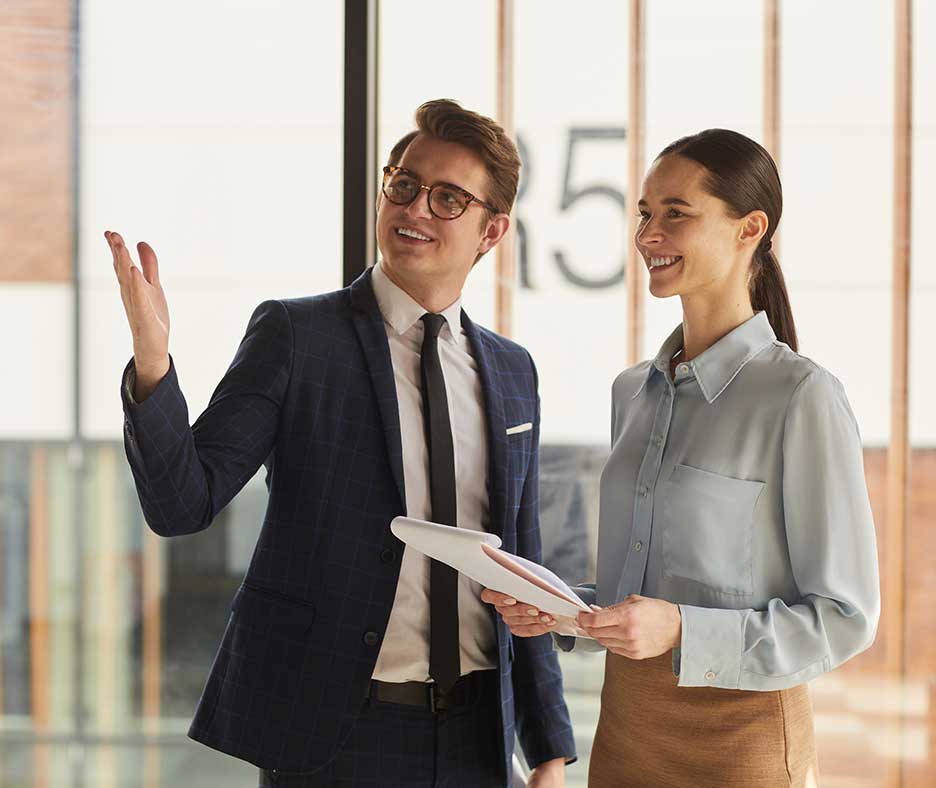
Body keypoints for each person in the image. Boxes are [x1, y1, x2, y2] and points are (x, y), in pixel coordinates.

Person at [107, 98, 575, 788]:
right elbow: (183, 504)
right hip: (338, 738)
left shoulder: (512, 371)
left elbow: (521, 564)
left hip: (480, 741)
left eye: (448, 199)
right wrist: (152, 364)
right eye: (404, 184)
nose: (415, 209)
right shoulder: (297, 337)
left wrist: (549, 750)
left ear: (491, 231)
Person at [484, 128, 880, 788]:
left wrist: (680, 632)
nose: (648, 235)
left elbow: (844, 619)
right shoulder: (631, 393)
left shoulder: (802, 398)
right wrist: (563, 612)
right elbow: (641, 595)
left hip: (741, 745)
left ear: (749, 228)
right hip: (624, 736)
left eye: (676, 213)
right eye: (644, 212)